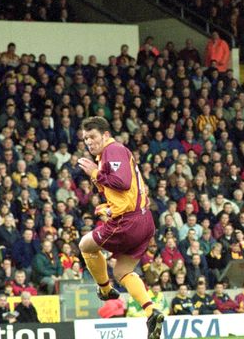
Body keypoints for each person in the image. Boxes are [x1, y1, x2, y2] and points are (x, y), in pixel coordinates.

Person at [76, 116, 164, 339]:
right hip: (144, 220)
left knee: (85, 245)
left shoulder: (112, 149)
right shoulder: (112, 153)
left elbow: (122, 181)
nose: (89, 142)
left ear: (105, 135)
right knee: (123, 271)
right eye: (85, 138)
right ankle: (151, 311)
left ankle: (105, 290)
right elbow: (124, 191)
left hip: (130, 221)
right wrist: (108, 208)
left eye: (92, 136)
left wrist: (95, 173)